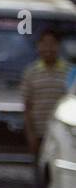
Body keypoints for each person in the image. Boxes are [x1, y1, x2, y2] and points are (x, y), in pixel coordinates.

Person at [21, 29, 71, 157]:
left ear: (58, 46)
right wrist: (30, 135)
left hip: (62, 135)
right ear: (38, 46)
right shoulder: (31, 72)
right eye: (44, 44)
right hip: (39, 134)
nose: (48, 48)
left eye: (52, 44)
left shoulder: (69, 72)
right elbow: (27, 107)